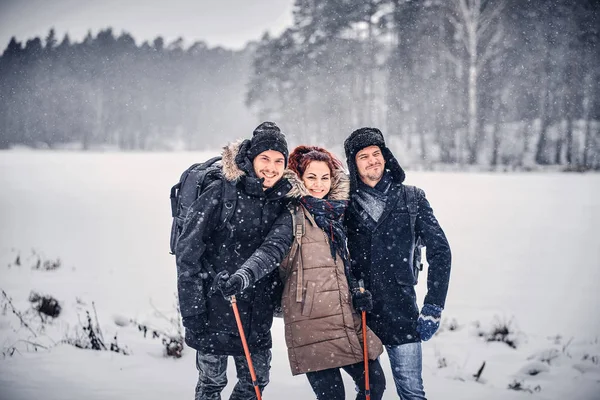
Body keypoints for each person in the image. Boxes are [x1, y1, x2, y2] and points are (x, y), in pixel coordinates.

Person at [175, 121, 294, 400]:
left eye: (279, 161)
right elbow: (188, 253)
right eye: (264, 158)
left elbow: (275, 250)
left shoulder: (282, 199)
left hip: (257, 313)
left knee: (255, 383)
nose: (271, 167)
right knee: (211, 384)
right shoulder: (221, 192)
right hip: (212, 310)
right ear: (251, 158)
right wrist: (192, 311)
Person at [343, 128, 452, 400]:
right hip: (361, 316)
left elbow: (440, 251)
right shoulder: (343, 203)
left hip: (403, 314)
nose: (372, 161)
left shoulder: (412, 198)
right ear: (353, 165)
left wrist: (434, 305)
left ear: (386, 156)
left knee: (412, 393)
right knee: (369, 392)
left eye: (376, 154)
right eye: (363, 156)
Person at [279, 145, 386, 400]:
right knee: (333, 396)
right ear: (299, 179)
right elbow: (272, 255)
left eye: (325, 177)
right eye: (311, 177)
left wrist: (358, 290)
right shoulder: (290, 215)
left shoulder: (338, 213)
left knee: (374, 386)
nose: (319, 184)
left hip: (345, 315)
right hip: (312, 322)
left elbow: (349, 262)